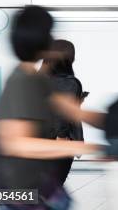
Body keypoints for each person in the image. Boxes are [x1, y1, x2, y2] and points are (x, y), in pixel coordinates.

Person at [0, 6, 103, 209]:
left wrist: (117, 121)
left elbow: (72, 111)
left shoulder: (38, 80)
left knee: (61, 202)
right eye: (49, 33)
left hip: (32, 178)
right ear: (40, 40)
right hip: (15, 186)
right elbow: (17, 144)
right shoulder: (22, 81)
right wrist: (82, 146)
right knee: (59, 203)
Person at [39, 39, 88, 186]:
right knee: (54, 188)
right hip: (60, 142)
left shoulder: (36, 79)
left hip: (37, 140)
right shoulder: (70, 82)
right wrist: (61, 135)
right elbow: (63, 114)